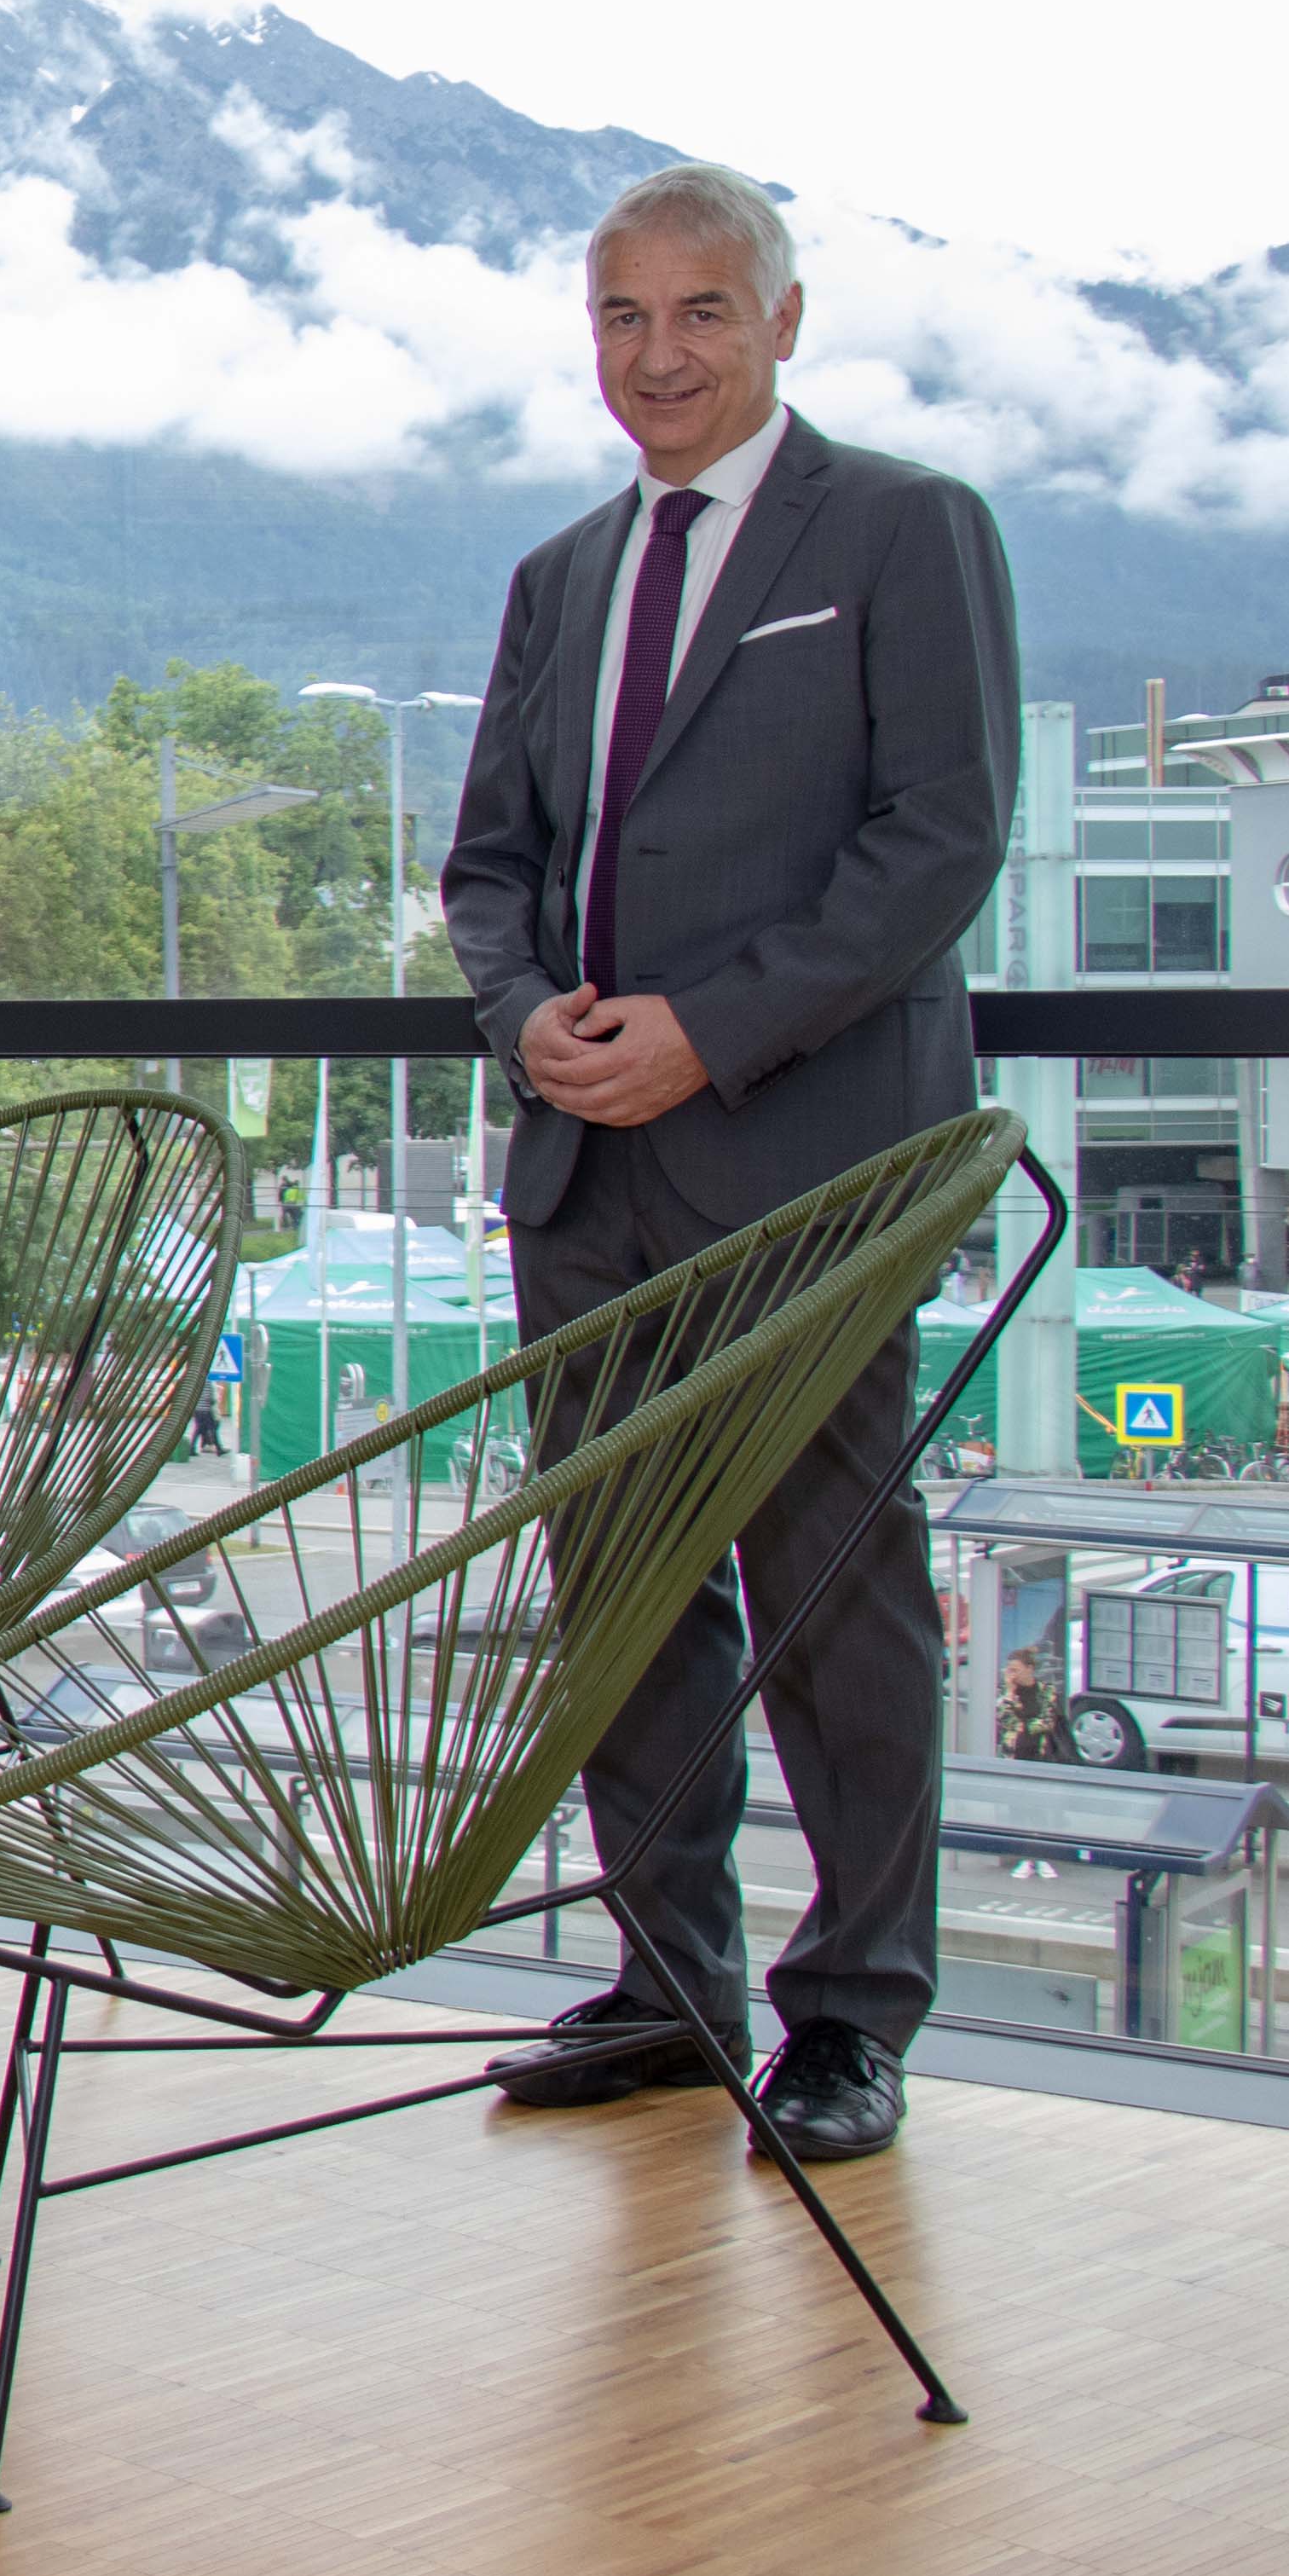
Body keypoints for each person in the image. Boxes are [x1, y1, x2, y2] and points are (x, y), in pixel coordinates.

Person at [443, 161, 1020, 2164]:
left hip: (801, 1159)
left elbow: (936, 839)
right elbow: (485, 865)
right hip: (582, 1165)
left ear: (781, 322)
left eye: (699, 312)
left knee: (832, 1585)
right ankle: (666, 1982)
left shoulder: (901, 532)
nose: (657, 354)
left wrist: (708, 1028)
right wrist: (525, 1015)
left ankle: (852, 2014)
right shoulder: (557, 579)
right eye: (621, 318)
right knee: (619, 1585)